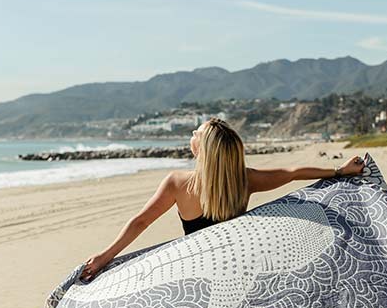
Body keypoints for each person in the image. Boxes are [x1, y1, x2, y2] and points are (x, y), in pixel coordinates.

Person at [80, 117, 365, 281]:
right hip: (239, 269)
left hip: (196, 272)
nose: (192, 134)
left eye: (196, 133)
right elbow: (293, 173)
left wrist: (106, 256)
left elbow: (141, 221)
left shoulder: (178, 183)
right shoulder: (245, 179)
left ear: (201, 148)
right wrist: (339, 171)